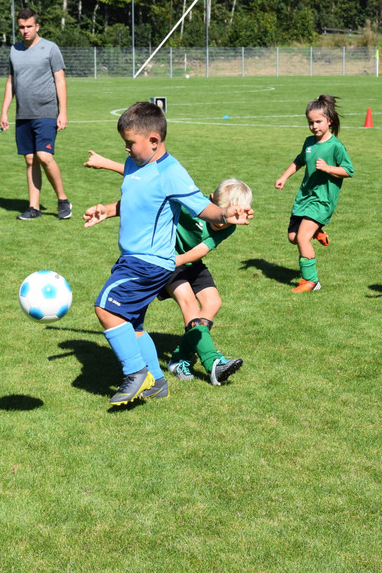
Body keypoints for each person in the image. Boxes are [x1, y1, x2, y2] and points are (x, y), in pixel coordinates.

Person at [82, 101, 254, 406]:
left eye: (130, 143)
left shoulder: (171, 172)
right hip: (134, 258)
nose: (126, 149)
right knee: (132, 325)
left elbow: (202, 207)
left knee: (106, 308)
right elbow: (138, 199)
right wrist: (107, 210)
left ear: (153, 140)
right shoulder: (136, 164)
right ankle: (157, 383)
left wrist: (225, 214)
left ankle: (136, 373)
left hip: (148, 262)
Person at [274, 94, 354, 293]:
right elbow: (299, 161)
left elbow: (348, 170)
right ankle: (316, 232)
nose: (314, 126)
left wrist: (328, 168)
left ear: (330, 121)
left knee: (302, 238)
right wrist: (284, 177)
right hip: (304, 197)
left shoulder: (336, 146)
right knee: (293, 237)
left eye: (318, 122)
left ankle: (311, 281)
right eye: (311, 122)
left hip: (322, 200)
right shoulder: (309, 142)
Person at [0, 7, 72, 221]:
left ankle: (63, 200)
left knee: (44, 156)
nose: (25, 31)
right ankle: (33, 208)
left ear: (37, 26)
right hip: (23, 115)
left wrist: (63, 112)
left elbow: (60, 80)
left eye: (29, 26)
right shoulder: (14, 50)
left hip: (46, 112)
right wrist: (4, 111)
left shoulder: (50, 48)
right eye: (22, 27)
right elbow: (11, 82)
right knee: (30, 160)